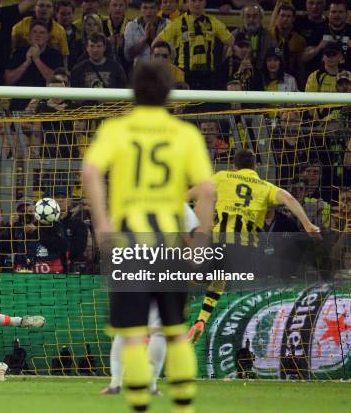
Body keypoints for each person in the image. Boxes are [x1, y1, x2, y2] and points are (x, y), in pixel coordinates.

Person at [82, 63, 216, 412]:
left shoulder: (117, 129)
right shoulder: (185, 134)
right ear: (169, 93)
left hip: (130, 241)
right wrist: (200, 243)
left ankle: (138, 403)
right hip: (170, 241)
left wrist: (101, 225)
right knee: (173, 330)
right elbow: (206, 190)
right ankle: (184, 405)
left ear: (134, 91)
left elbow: (91, 170)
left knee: (131, 332)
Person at [187, 149, 320, 344]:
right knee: (219, 280)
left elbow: (194, 192)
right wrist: (307, 224)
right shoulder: (265, 186)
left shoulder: (222, 176)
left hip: (220, 243)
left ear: (234, 166)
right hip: (247, 253)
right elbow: (290, 199)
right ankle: (201, 319)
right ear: (256, 167)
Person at [102, 203, 200, 396]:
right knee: (161, 331)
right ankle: (151, 385)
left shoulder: (127, 200)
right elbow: (195, 235)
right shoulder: (176, 201)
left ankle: (116, 384)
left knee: (126, 329)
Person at [154, 0, 234, 89]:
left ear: (205, 2)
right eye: (193, 0)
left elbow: (231, 42)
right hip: (184, 76)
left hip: (208, 76)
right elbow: (156, 44)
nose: (197, 4)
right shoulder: (178, 23)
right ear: (187, 2)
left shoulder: (213, 22)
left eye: (200, 0)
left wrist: (223, 58)